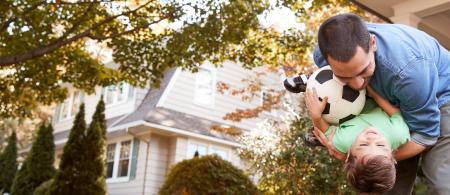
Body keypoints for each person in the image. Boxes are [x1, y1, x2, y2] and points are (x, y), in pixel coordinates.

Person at [312, 13, 450, 194]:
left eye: (363, 71)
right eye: (344, 77)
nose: (357, 84)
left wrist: (360, 156)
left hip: (441, 97)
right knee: (386, 187)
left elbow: (426, 135)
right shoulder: (324, 55)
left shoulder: (409, 71)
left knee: (442, 184)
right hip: (393, 103)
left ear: (373, 44)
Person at [306, 86, 409, 193]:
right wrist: (374, 93)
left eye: (363, 145)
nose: (372, 137)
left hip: (341, 100)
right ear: (393, 157)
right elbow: (396, 114)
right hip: (377, 95)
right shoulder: (398, 134)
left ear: (348, 155)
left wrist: (316, 116)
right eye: (381, 145)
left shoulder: (342, 142)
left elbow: (324, 131)